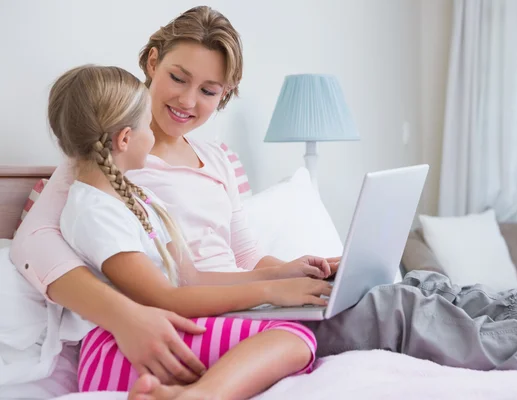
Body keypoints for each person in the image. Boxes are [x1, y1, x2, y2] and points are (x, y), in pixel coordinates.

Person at [11, 4, 517, 400]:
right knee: (396, 306)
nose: (188, 100)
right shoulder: (101, 164)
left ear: (226, 95)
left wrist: (299, 270)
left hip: (242, 295)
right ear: (150, 64)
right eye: (178, 77)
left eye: (209, 90)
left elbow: (246, 256)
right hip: (218, 315)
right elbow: (35, 247)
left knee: (430, 287)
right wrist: (126, 316)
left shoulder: (217, 161)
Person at [48, 64, 326, 399]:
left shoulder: (135, 196)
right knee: (294, 337)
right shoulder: (94, 211)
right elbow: (165, 298)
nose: (153, 135)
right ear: (125, 138)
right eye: (144, 126)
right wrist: (268, 292)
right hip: (119, 354)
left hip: (158, 339)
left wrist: (280, 279)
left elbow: (190, 279)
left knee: (294, 333)